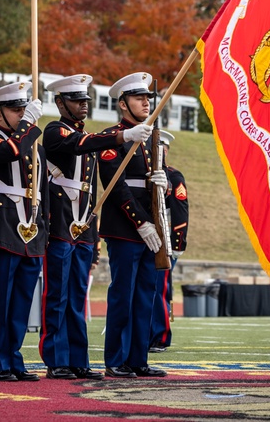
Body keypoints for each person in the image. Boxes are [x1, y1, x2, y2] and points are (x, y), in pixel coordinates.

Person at [41, 74, 149, 380]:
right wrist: (123, 137)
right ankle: (57, 358)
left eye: (86, 100)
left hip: (83, 226)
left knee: (77, 296)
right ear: (61, 103)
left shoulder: (87, 137)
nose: (83, 105)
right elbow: (78, 144)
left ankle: (78, 359)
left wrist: (94, 232)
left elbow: (89, 189)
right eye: (76, 100)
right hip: (60, 223)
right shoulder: (55, 130)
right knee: (58, 295)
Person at [97, 72, 168, 379]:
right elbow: (116, 187)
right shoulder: (115, 138)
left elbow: (148, 185)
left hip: (151, 229)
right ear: (123, 104)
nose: (145, 103)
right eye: (139, 98)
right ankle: (115, 359)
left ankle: (138, 359)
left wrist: (161, 183)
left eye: (147, 98)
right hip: (125, 228)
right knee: (122, 294)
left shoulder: (151, 139)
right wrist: (141, 223)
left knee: (145, 297)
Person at [0, 81, 48, 382]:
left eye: (23, 109)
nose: (20, 115)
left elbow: (42, 191)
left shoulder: (35, 147)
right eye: (14, 110)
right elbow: (9, 152)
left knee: (20, 301)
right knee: (0, 299)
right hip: (3, 224)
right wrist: (30, 123)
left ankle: (14, 357)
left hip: (31, 230)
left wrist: (44, 226)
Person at [150, 131, 188, 352]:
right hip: (146, 237)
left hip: (166, 242)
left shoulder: (174, 177)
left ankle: (160, 336)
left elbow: (180, 210)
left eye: (161, 150)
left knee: (160, 290)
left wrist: (177, 243)